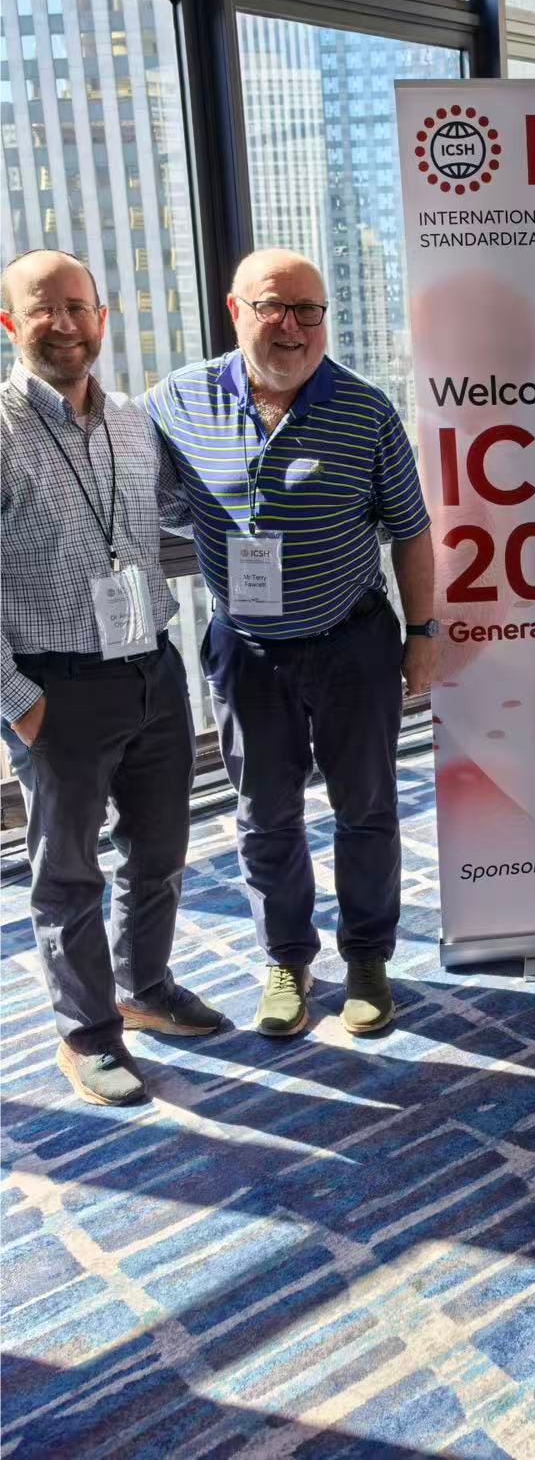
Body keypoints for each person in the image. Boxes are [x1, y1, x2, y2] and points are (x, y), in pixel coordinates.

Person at [145, 249, 437, 1040]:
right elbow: (142, 493)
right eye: (272, 306)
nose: (292, 326)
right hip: (247, 652)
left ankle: (368, 956)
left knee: (366, 807)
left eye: (309, 309)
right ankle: (287, 957)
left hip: (353, 644)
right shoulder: (176, 401)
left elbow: (411, 530)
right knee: (264, 814)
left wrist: (424, 634)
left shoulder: (366, 410)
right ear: (234, 309)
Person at [0, 250, 224, 1106]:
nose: (64, 323)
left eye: (77, 307)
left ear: (103, 318)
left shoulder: (134, 419)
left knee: (159, 849)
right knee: (68, 873)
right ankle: (87, 1033)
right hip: (55, 686)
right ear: (10, 323)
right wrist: (19, 704)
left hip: (152, 671)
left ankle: (145, 986)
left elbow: (176, 511)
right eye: (42, 308)